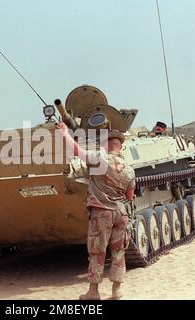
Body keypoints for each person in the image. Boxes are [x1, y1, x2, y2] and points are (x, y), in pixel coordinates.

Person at [57, 122, 136, 300]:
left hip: (101, 213)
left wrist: (64, 133)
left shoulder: (100, 159)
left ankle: (93, 292)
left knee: (97, 251)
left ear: (106, 145)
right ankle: (116, 291)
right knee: (118, 251)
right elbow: (130, 196)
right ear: (120, 146)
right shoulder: (130, 170)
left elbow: (77, 152)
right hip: (120, 213)